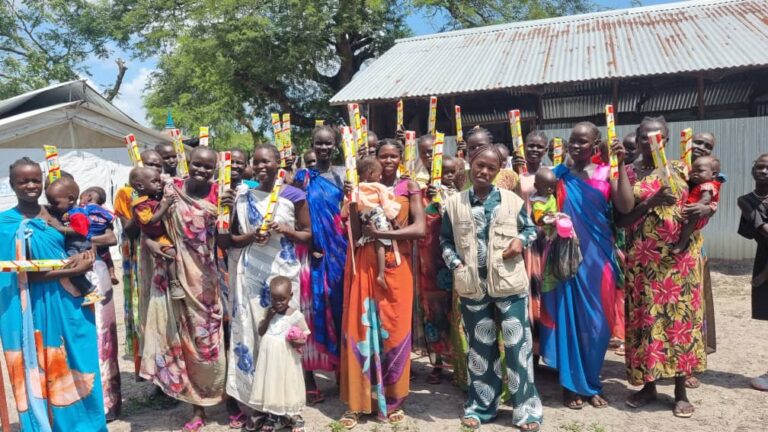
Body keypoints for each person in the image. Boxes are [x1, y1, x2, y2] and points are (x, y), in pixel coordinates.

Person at [440, 145, 543, 431]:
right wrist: (456, 264)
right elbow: (445, 240)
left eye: (491, 168)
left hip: (509, 285)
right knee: (480, 349)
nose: (484, 172)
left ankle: (526, 411)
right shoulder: (454, 203)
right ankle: (482, 407)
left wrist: (520, 242)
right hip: (473, 286)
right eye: (480, 165)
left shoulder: (512, 201)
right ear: (470, 164)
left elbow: (530, 229)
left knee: (517, 348)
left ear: (499, 171)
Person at [0, 158, 107, 431]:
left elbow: (86, 241)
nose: (31, 186)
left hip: (70, 302)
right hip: (31, 305)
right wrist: (72, 269)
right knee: (43, 364)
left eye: (36, 180)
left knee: (80, 360)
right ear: (12, 184)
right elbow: (16, 274)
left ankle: (87, 425)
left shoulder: (59, 214)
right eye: (23, 181)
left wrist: (87, 256)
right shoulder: (5, 224)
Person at [539, 121, 634, 410]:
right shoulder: (560, 174)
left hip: (599, 258)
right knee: (570, 320)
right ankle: (571, 386)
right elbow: (537, 196)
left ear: (595, 144)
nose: (576, 145)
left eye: (582, 141)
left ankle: (591, 381)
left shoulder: (607, 172)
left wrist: (619, 163)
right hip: (566, 257)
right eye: (572, 140)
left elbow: (626, 206)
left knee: (598, 324)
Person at [219, 144, 312, 430]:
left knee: (283, 338)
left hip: (283, 274)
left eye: (266, 161)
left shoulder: (294, 195)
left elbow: (308, 235)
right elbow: (228, 240)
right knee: (254, 335)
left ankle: (285, 406)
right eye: (256, 162)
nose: (260, 167)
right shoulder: (242, 197)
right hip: (252, 274)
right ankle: (258, 407)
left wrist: (287, 231)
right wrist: (249, 234)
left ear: (278, 162)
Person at [619, 116, 705, 418]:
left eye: (657, 137)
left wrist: (707, 206)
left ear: (667, 140)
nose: (651, 142)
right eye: (645, 137)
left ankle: (680, 391)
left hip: (680, 261)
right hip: (643, 262)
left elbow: (707, 196)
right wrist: (651, 202)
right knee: (647, 323)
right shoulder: (629, 173)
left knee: (679, 323)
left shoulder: (683, 168)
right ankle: (648, 386)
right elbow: (621, 219)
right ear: (638, 139)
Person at [338, 139, 425, 429]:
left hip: (396, 265)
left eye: (393, 156)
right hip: (364, 262)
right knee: (360, 327)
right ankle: (358, 402)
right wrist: (352, 200)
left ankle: (394, 399)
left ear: (401, 158)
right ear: (375, 158)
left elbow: (420, 229)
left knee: (393, 329)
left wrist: (384, 234)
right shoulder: (359, 187)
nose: (388, 160)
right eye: (383, 156)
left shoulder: (408, 187)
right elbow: (352, 231)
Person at [139, 146, 226, 432]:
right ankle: (196, 407)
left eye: (208, 167)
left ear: (214, 169)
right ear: (188, 162)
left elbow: (226, 236)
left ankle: (224, 399)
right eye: (197, 164)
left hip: (207, 278)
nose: (202, 170)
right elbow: (147, 225)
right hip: (173, 275)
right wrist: (151, 244)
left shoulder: (220, 195)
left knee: (210, 340)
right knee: (180, 339)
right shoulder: (170, 189)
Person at [292, 125, 347, 404]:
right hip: (310, 252)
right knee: (310, 312)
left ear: (335, 145)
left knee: (339, 309)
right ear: (312, 144)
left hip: (339, 251)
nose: (323, 148)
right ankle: (310, 379)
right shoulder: (301, 177)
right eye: (319, 143)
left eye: (328, 143)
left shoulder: (343, 176)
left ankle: (341, 371)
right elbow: (290, 210)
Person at [113, 150, 164, 379]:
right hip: (139, 257)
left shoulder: (165, 189)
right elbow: (129, 230)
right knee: (142, 309)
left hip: (163, 253)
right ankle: (145, 369)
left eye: (158, 165)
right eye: (150, 164)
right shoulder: (126, 193)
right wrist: (141, 204)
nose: (156, 168)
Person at [251, 276, 310, 431]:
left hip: (286, 360)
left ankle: (294, 416)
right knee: (271, 385)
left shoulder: (295, 315)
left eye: (282, 299)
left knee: (288, 385)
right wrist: (268, 318)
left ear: (290, 296)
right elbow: (261, 331)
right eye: (274, 298)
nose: (277, 303)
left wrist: (298, 341)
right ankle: (274, 416)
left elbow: (305, 334)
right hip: (269, 360)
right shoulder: (269, 312)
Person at [45, 177, 106, 306]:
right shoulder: (70, 212)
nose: (52, 206)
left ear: (71, 199)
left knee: (73, 269)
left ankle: (90, 291)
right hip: (76, 245)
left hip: (79, 246)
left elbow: (81, 231)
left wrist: (59, 228)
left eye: (55, 203)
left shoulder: (78, 213)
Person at [345, 156, 401, 290]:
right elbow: (386, 205)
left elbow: (347, 206)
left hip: (364, 217)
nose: (380, 177)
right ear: (370, 173)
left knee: (371, 238)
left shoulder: (356, 189)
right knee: (380, 242)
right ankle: (381, 274)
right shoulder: (378, 187)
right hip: (377, 215)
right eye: (378, 174)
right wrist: (393, 219)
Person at [128, 166, 184, 300]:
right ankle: (174, 282)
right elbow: (150, 221)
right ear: (140, 186)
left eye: (159, 181)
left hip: (164, 233)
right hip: (157, 237)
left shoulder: (152, 198)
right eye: (154, 181)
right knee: (171, 253)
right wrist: (165, 205)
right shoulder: (140, 205)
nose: (159, 184)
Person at [737, 153, 768, 391]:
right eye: (760, 167)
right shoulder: (746, 201)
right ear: (752, 170)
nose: (764, 171)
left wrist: (765, 274)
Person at [672, 156, 721, 254]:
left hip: (696, 215)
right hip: (693, 211)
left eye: (700, 171)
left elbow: (706, 199)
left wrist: (695, 208)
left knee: (688, 222)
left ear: (713, 174)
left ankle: (682, 243)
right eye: (693, 171)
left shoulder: (708, 186)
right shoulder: (701, 185)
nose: (695, 174)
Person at [80, 186, 119, 285]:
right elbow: (112, 219)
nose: (80, 201)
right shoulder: (104, 211)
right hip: (102, 240)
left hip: (89, 236)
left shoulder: (85, 208)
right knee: (108, 258)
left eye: (81, 198)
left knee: (91, 253)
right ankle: (112, 274)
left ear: (89, 197)